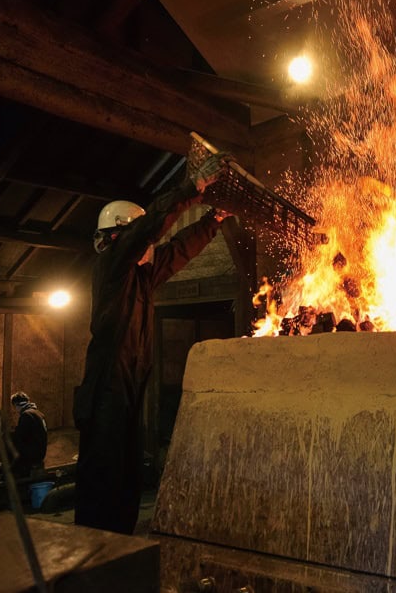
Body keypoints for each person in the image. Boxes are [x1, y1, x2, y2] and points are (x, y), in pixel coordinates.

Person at [73, 147, 231, 534]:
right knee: (104, 476)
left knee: (127, 473)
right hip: (106, 388)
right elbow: (150, 229)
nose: (153, 246)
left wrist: (215, 219)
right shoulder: (112, 268)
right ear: (122, 236)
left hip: (127, 387)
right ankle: (94, 551)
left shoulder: (141, 278)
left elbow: (179, 251)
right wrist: (191, 188)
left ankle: (122, 550)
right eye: (143, 240)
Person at [9, 391, 48, 478]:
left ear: (16, 404)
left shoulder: (26, 415)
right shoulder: (39, 413)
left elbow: (20, 437)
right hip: (40, 452)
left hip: (31, 455)